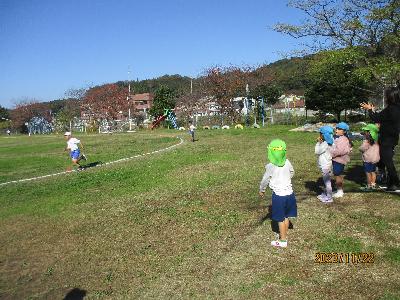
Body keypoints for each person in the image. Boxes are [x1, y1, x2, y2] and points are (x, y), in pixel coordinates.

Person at [259, 139, 297, 248]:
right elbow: (292, 172)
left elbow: (265, 180)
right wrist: (286, 179)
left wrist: (262, 189)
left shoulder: (270, 166)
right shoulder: (287, 162)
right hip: (290, 194)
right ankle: (285, 234)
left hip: (279, 196)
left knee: (280, 218)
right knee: (285, 216)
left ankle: (283, 240)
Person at [361, 86, 400, 191]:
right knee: (384, 161)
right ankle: (389, 181)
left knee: (388, 162)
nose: (385, 97)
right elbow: (381, 117)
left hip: (387, 140)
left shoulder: (390, 109)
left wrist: (370, 110)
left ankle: (395, 183)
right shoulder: (396, 108)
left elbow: (376, 118)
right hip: (392, 139)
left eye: (386, 95)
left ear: (390, 97)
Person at [330, 122, 352, 198]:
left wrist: (330, 153)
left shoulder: (343, 139)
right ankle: (339, 189)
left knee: (338, 175)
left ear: (344, 131)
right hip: (337, 160)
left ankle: (340, 191)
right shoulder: (338, 138)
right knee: (337, 175)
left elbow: (339, 151)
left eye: (339, 129)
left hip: (339, 160)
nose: (337, 130)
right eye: (337, 128)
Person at [315, 126, 334, 203]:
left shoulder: (325, 144)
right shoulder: (331, 141)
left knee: (327, 182)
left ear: (323, 135)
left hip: (325, 165)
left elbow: (317, 151)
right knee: (327, 180)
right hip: (328, 164)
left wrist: (318, 143)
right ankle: (327, 194)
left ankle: (329, 197)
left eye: (320, 134)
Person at [359, 124, 380, 191]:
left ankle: (368, 186)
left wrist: (360, 148)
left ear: (369, 133)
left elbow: (362, 148)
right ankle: (373, 184)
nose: (365, 132)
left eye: (366, 131)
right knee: (373, 172)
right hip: (375, 159)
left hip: (367, 159)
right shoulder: (376, 141)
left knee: (368, 173)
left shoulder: (366, 141)